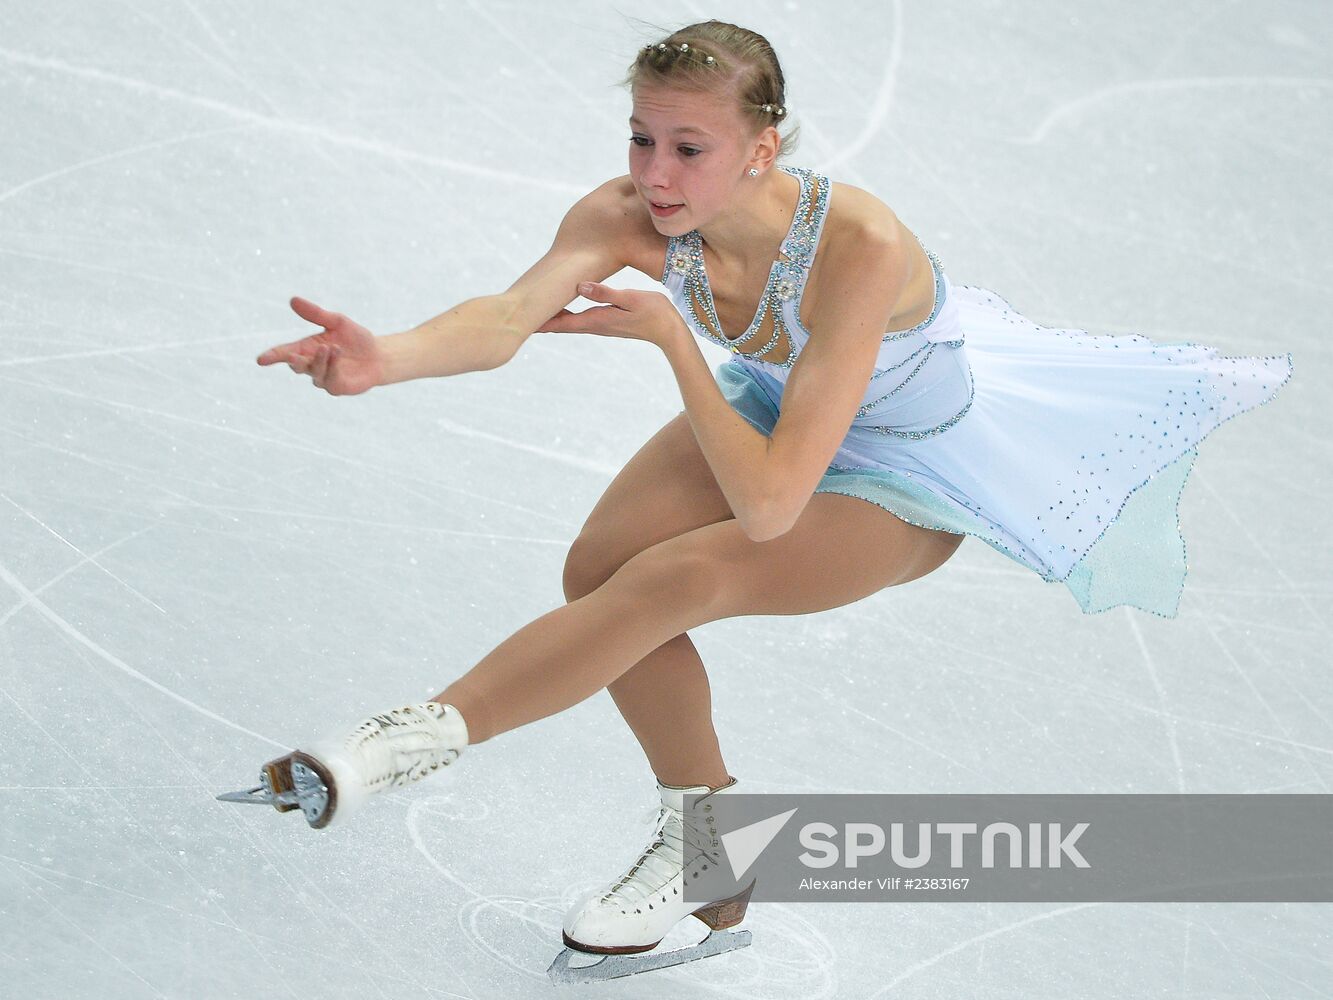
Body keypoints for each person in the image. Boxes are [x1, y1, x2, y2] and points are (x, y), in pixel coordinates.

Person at [226, 19, 1294, 962]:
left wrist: (672, 345)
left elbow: (773, 508)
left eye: (690, 148)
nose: (656, 172)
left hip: (905, 473)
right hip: (778, 419)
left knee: (675, 577)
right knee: (596, 569)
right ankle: (712, 851)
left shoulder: (860, 245)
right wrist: (391, 357)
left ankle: (407, 741)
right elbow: (507, 317)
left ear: (761, 149)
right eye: (642, 138)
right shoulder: (627, 213)